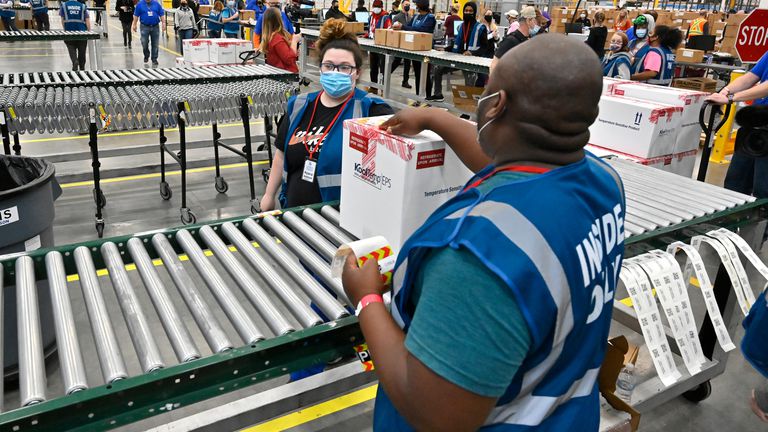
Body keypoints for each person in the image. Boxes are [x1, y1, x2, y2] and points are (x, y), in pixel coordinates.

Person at [341, 34, 625, 432]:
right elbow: (504, 162)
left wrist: (367, 299)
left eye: (488, 90)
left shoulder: (477, 253)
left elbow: (437, 414)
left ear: (498, 104)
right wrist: (432, 118)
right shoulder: (602, 181)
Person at [260, 19, 394, 211]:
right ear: (320, 68)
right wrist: (269, 195)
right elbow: (281, 154)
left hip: (339, 222)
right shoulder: (299, 105)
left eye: (345, 67)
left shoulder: (371, 111)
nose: (335, 72)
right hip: (293, 215)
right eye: (329, 66)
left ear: (357, 72)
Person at [707, 50, 768, 198]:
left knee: (763, 189)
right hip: (755, 123)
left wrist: (732, 98)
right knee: (735, 183)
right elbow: (750, 77)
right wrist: (725, 91)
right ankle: (733, 219)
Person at [429, 1, 488, 102]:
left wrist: (472, 53)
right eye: (466, 10)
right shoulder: (461, 27)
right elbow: (457, 44)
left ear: (474, 12)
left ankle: (467, 108)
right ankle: (438, 94)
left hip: (471, 61)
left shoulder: (481, 28)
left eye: (470, 11)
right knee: (438, 69)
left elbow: (485, 47)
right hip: (457, 58)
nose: (468, 12)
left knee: (469, 80)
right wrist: (446, 49)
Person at [392, 0, 435, 97]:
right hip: (415, 51)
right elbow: (409, 27)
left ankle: (427, 98)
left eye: (416, 4)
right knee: (418, 74)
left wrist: (403, 27)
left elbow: (423, 30)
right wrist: (400, 27)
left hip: (426, 52)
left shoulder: (430, 18)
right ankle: (418, 98)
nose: (415, 6)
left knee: (426, 74)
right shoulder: (416, 16)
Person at [491, 6, 541, 72]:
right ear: (528, 20)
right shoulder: (510, 40)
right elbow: (494, 65)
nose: (536, 25)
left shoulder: (527, 40)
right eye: (534, 21)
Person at [261, 6, 300, 72]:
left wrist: (291, 48)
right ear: (279, 20)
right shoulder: (277, 39)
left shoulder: (270, 36)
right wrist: (294, 42)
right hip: (285, 73)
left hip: (277, 71)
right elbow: (289, 59)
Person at [365, 0, 392, 93]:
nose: (375, 9)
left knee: (383, 68)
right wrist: (366, 35)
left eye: (377, 7)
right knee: (373, 67)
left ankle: (383, 88)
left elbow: (388, 29)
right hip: (372, 45)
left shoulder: (385, 17)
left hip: (382, 46)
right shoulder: (371, 16)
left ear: (381, 7)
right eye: (374, 6)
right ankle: (373, 87)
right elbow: (369, 28)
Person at [132, 0, 166, 66]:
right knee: (144, 42)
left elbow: (161, 13)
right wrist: (134, 24)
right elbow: (136, 15)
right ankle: (146, 55)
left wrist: (164, 23)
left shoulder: (156, 3)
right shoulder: (140, 4)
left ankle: (154, 59)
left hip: (155, 26)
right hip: (144, 26)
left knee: (155, 44)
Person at [60, 0, 91, 70]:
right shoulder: (82, 6)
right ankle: (82, 67)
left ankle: (75, 61)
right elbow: (87, 20)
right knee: (82, 51)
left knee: (71, 47)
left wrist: (65, 28)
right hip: (82, 33)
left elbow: (62, 19)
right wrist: (89, 31)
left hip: (69, 32)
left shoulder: (64, 6)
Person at [390, 1, 413, 88]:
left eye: (408, 5)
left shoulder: (410, 17)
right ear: (402, 5)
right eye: (406, 4)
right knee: (397, 61)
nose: (407, 6)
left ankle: (405, 81)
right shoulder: (397, 17)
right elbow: (393, 28)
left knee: (407, 61)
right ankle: (386, 76)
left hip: (408, 42)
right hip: (399, 42)